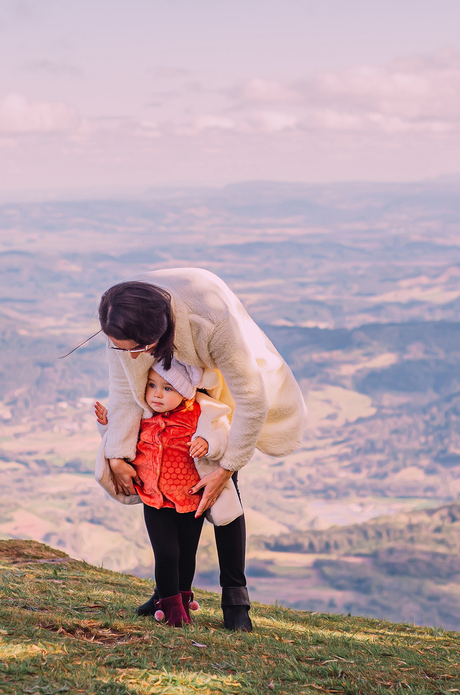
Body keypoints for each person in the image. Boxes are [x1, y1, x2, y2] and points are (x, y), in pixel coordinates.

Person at [93, 268, 307, 631]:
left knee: (223, 494)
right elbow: (125, 390)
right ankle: (168, 591)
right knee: (166, 499)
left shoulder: (213, 322)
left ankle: (235, 599)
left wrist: (226, 467)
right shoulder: (122, 320)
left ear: (156, 334)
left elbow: (252, 399)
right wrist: (117, 454)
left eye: (137, 350)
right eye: (121, 348)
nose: (130, 358)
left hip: (216, 393)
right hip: (169, 391)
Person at [94, 361, 243, 626]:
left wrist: (207, 442)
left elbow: (223, 436)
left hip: (190, 499)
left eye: (167, 388)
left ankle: (183, 601)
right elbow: (123, 435)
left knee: (187, 555)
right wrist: (107, 426)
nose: (156, 394)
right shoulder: (145, 414)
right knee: (166, 554)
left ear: (186, 392)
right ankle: (171, 608)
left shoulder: (202, 414)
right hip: (156, 499)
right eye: (151, 385)